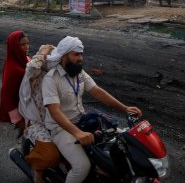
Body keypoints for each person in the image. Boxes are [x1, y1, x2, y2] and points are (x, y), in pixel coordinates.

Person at [42, 36, 142, 183]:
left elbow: (97, 91)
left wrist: (125, 108)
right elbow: (55, 112)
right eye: (76, 54)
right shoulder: (51, 79)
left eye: (81, 54)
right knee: (82, 166)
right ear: (64, 56)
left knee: (125, 140)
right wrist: (77, 133)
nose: (81, 58)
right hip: (60, 129)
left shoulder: (79, 73)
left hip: (81, 120)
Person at [18, 45, 60, 183]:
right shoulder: (36, 73)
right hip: (38, 122)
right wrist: (43, 52)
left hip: (58, 119)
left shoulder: (59, 73)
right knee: (51, 155)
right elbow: (31, 68)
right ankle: (37, 170)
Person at [0, 30, 29, 130]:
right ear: (14, 47)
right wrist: (18, 120)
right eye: (22, 45)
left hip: (28, 107)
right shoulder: (13, 69)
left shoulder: (24, 59)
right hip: (22, 112)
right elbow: (6, 96)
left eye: (27, 43)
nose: (26, 47)